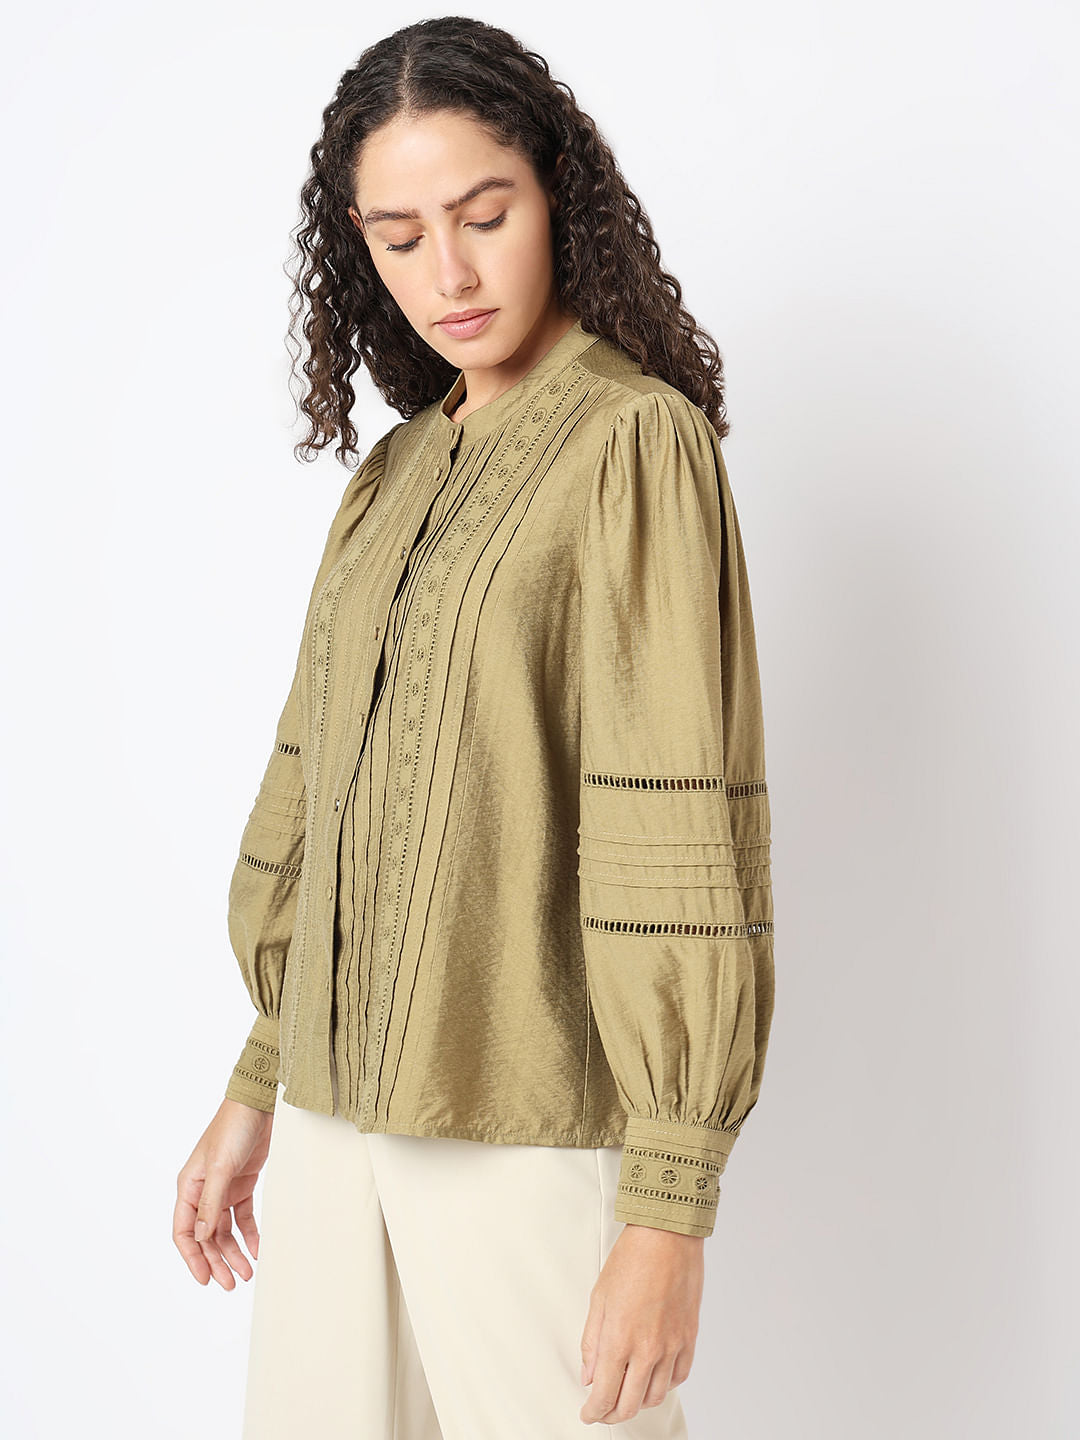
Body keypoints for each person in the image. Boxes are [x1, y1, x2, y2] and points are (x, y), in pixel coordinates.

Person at [173, 17, 776, 1438]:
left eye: (483, 216)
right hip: (330, 1118)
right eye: (398, 236)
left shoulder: (631, 444)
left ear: (557, 194)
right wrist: (260, 1077)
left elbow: (671, 830)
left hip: (526, 1120)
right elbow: (317, 786)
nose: (446, 272)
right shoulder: (393, 474)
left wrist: (667, 1206)